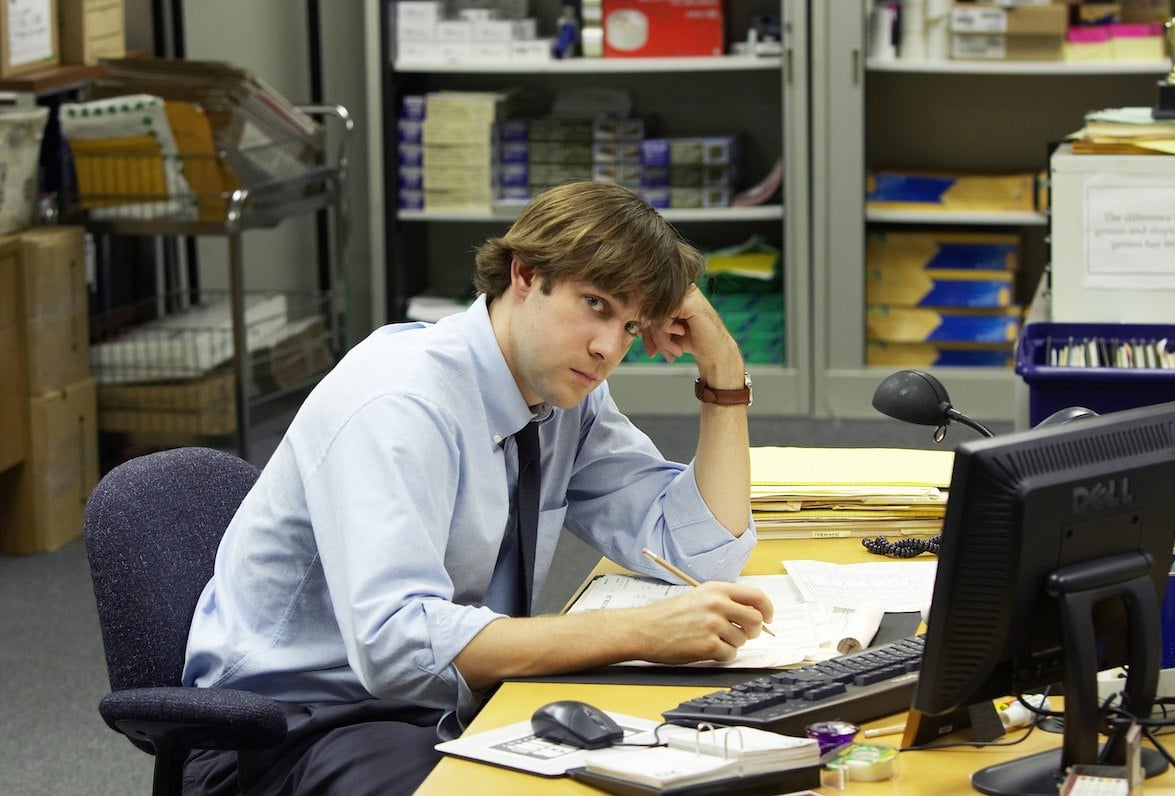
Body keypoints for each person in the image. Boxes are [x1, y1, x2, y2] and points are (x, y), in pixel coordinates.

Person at [181, 181, 773, 794]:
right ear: (524, 273)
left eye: (632, 327)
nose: (607, 348)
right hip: (289, 729)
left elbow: (700, 552)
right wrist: (642, 632)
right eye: (596, 304)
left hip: (438, 703)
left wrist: (723, 372)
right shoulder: (401, 403)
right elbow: (396, 645)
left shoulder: (560, 393)